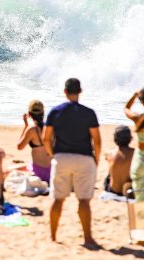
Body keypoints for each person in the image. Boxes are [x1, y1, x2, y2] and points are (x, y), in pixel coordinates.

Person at [43, 78, 101, 246]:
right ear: (80, 92)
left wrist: (53, 154)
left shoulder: (55, 112)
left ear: (65, 92)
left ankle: (53, 237)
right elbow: (97, 141)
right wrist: (95, 160)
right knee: (84, 200)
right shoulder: (89, 113)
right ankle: (88, 238)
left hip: (61, 158)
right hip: (84, 158)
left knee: (58, 199)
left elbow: (46, 139)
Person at [17, 100, 51, 183]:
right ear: (43, 112)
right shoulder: (49, 127)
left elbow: (19, 147)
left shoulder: (32, 130)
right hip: (51, 171)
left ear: (29, 114)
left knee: (12, 169)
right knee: (24, 165)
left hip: (38, 172)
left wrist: (26, 126)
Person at [104, 126, 134, 196]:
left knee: (109, 174)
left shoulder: (109, 153)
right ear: (130, 138)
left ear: (115, 139)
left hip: (113, 190)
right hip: (128, 190)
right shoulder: (135, 153)